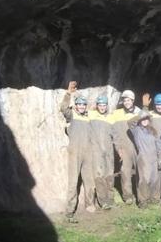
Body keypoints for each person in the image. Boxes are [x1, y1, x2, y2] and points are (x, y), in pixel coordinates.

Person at [60, 81, 96, 220]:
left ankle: (90, 204)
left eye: (83, 104)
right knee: (73, 182)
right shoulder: (72, 115)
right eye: (79, 104)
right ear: (76, 106)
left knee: (89, 180)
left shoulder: (88, 117)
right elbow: (63, 108)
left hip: (88, 152)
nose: (81, 106)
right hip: (74, 152)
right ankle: (69, 210)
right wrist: (68, 93)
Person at [108, 90, 140, 205]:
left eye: (129, 100)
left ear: (133, 100)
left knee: (140, 171)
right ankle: (128, 197)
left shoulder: (139, 112)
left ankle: (140, 195)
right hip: (124, 148)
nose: (126, 102)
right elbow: (112, 131)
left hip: (137, 147)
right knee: (125, 172)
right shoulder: (116, 114)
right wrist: (118, 147)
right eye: (125, 100)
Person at [128, 111, 161, 208]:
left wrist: (160, 158)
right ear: (139, 120)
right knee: (144, 180)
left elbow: (158, 145)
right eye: (142, 119)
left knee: (154, 179)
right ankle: (143, 200)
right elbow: (130, 122)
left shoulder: (153, 131)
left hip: (154, 158)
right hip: (143, 158)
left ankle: (154, 198)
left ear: (149, 120)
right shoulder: (136, 130)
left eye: (146, 119)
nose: (144, 121)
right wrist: (140, 115)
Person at [89, 95, 114, 210]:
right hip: (96, 151)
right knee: (99, 176)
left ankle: (110, 199)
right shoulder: (91, 115)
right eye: (100, 105)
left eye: (104, 105)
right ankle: (103, 201)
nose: (102, 107)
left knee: (109, 175)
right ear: (97, 105)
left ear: (107, 106)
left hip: (109, 151)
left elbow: (115, 134)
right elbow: (80, 111)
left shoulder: (110, 117)